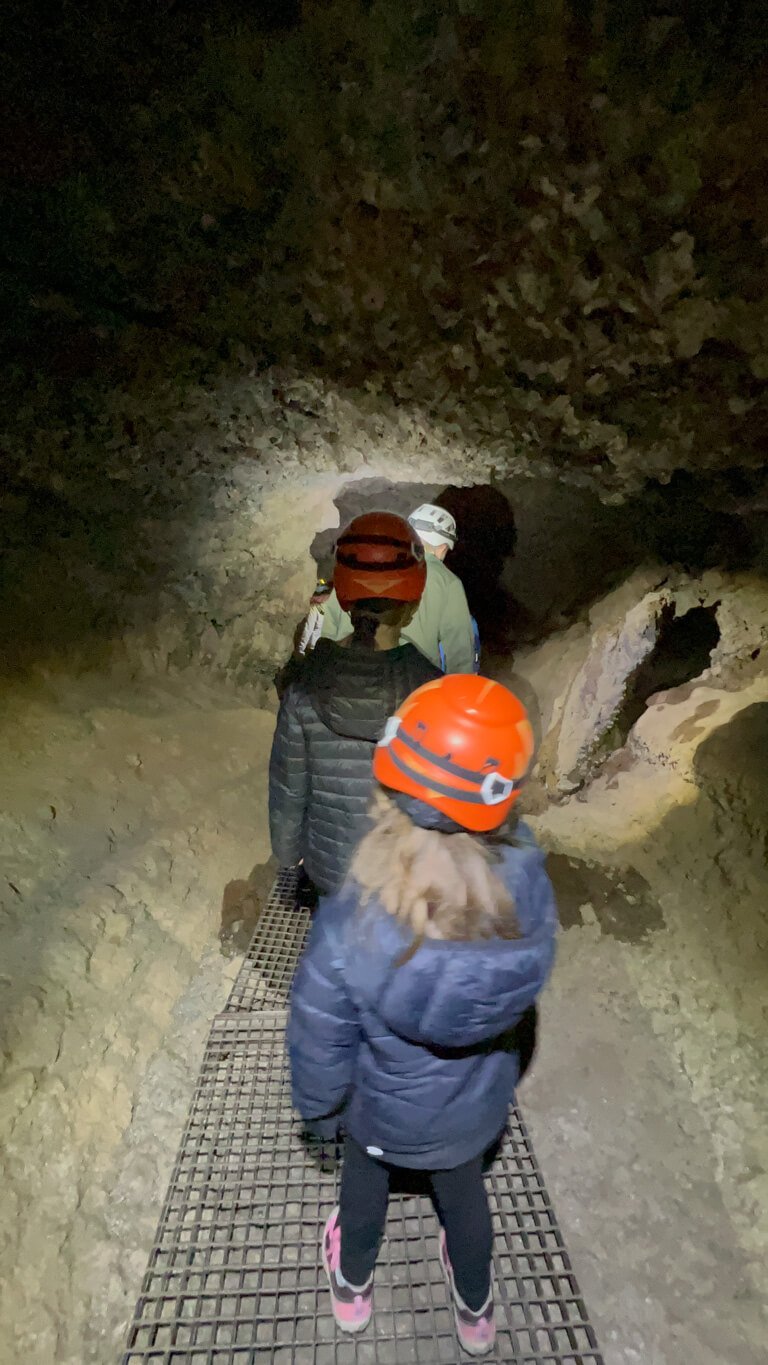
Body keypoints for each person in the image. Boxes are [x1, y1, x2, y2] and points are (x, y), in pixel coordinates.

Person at [288, 674, 558, 1356]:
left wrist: (322, 1116)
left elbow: (318, 1031)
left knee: (363, 1191)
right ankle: (475, 1309)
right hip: (471, 1118)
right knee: (464, 1200)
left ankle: (351, 1289)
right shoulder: (528, 890)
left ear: (393, 784)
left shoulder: (352, 915)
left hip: (378, 1117)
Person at [268, 512, 441, 896]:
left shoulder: (306, 686)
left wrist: (287, 858)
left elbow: (288, 792)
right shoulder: (434, 693)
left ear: (344, 598)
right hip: (401, 885)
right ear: (413, 601)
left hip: (329, 876)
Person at [321, 503, 475, 674]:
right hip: (413, 684)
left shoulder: (362, 566)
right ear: (443, 547)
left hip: (347, 674)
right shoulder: (448, 582)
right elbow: (460, 653)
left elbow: (329, 630)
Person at [297, 577, 332, 655]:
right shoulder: (322, 586)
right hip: (315, 607)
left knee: (318, 629)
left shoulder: (330, 590)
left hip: (322, 610)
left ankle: (311, 647)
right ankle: (301, 649)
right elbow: (318, 597)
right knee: (309, 628)